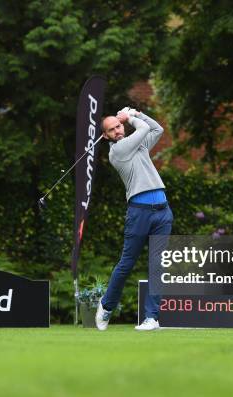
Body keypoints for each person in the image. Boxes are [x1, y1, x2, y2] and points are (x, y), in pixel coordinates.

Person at [95, 107, 173, 331]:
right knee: (127, 263)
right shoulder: (118, 151)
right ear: (106, 136)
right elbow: (144, 128)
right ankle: (107, 306)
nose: (118, 131)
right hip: (139, 212)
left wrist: (137, 115)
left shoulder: (138, 144)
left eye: (118, 126)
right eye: (112, 129)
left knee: (157, 265)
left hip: (162, 211)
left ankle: (152, 318)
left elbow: (157, 128)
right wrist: (130, 117)